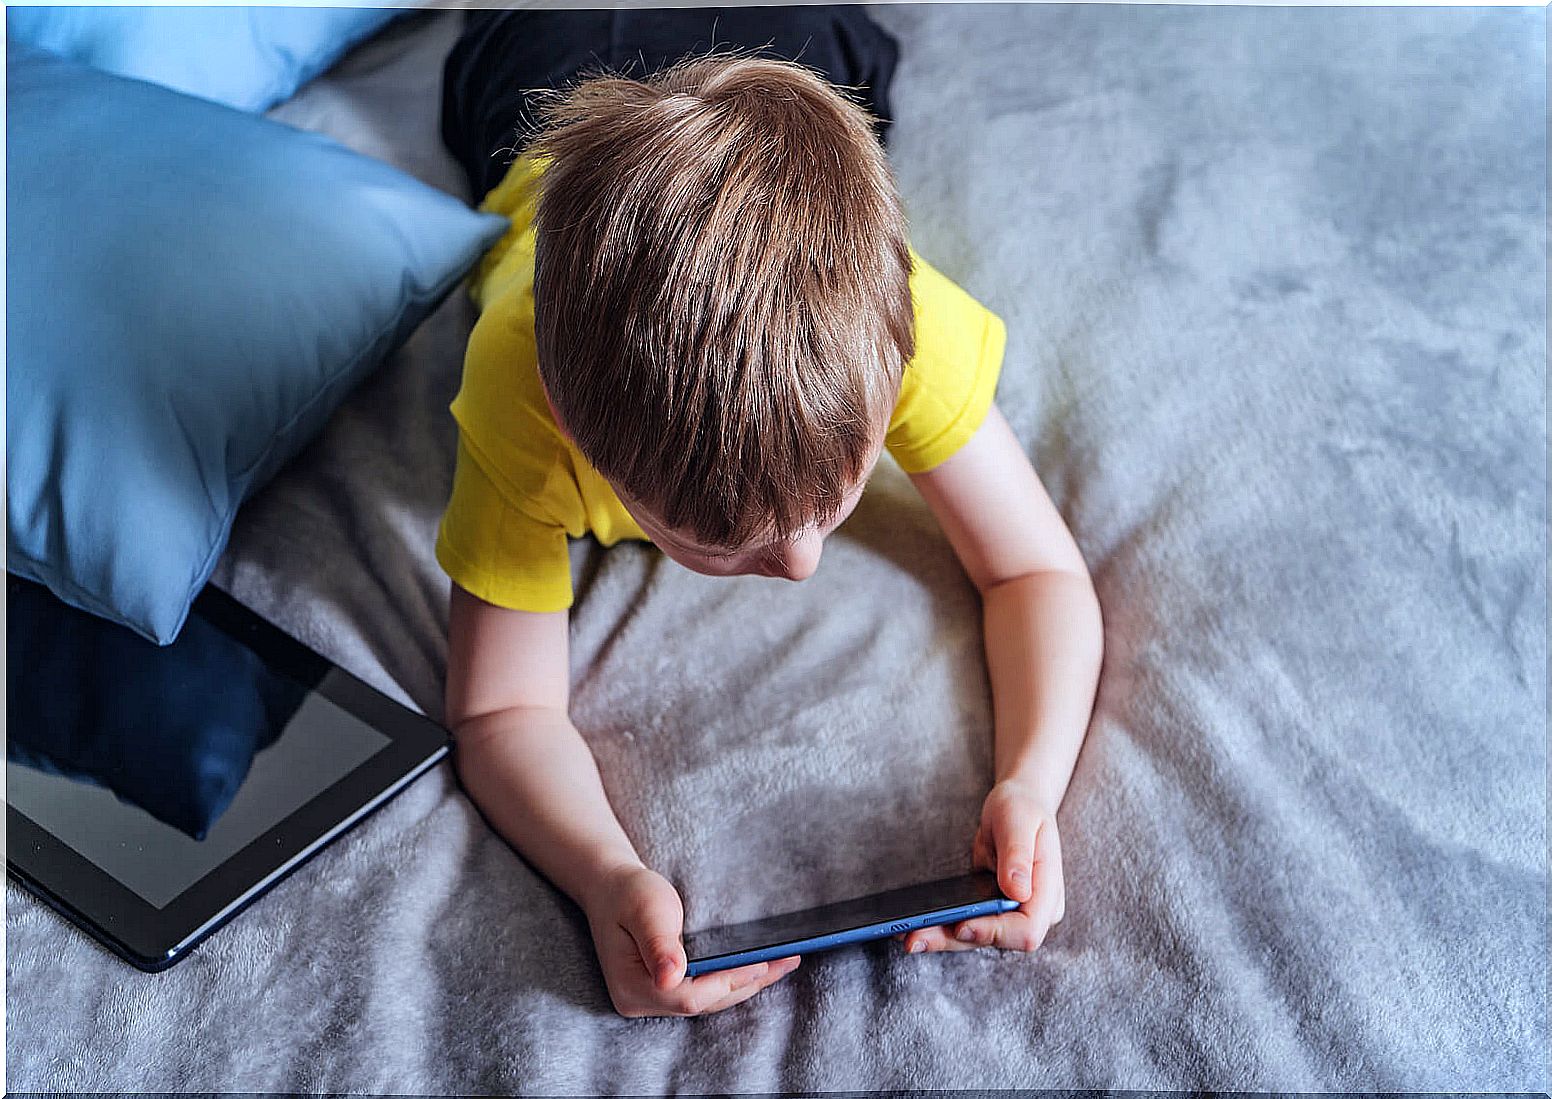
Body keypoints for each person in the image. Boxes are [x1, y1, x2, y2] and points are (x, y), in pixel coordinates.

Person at [435, 6, 1103, 1019]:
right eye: (720, 545)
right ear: (573, 425)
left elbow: (1039, 574)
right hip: (543, 50)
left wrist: (1031, 787)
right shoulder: (517, 388)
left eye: (830, 508)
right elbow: (498, 711)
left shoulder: (888, 321)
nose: (801, 567)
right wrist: (605, 875)